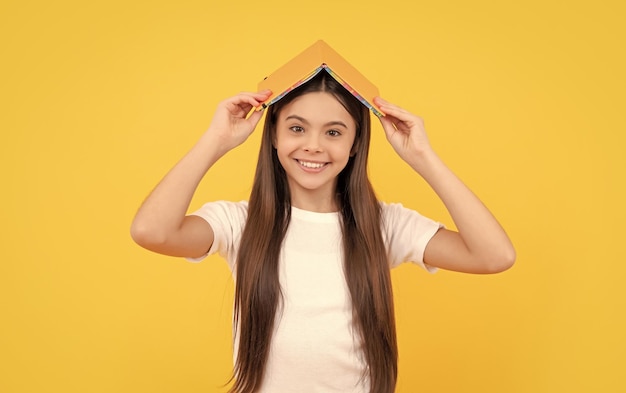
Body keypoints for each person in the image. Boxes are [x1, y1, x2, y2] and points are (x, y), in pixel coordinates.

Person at [130, 71, 515, 393]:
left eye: (333, 133)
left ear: (354, 145)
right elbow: (152, 231)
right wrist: (215, 141)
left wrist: (423, 158)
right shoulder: (240, 223)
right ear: (275, 137)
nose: (313, 146)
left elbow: (494, 256)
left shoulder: (383, 225)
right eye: (297, 128)